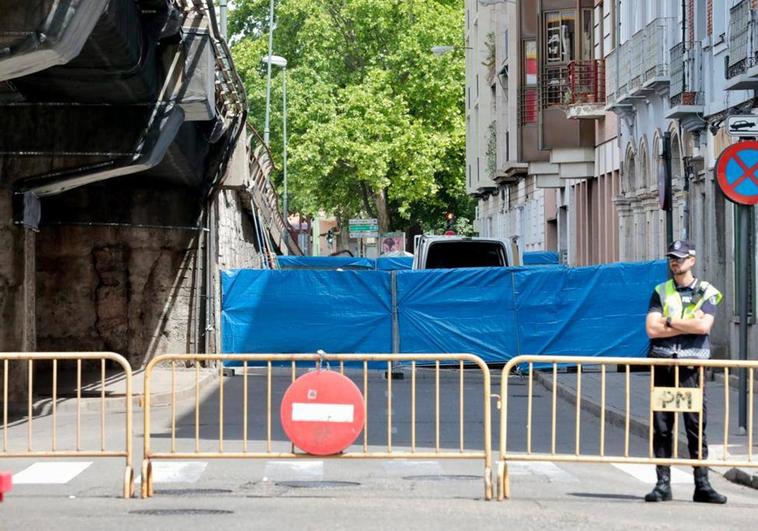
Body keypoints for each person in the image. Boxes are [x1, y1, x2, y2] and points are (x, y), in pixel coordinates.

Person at [644, 239, 727, 504]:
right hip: (664, 364)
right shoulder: (660, 290)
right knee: (662, 426)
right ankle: (662, 484)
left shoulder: (707, 291)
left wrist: (668, 321)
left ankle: (702, 485)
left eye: (679, 258)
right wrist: (686, 323)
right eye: (672, 257)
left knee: (695, 427)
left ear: (692, 260)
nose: (674, 262)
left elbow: (704, 328)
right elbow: (651, 329)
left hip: (692, 367)